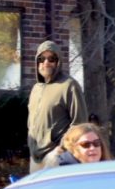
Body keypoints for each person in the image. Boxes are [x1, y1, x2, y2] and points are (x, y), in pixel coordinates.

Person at [27, 41, 87, 173]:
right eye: (42, 59)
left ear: (58, 62)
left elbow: (79, 123)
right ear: (37, 62)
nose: (46, 62)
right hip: (35, 157)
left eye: (51, 58)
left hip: (56, 156)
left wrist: (60, 149)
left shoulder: (69, 85)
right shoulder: (36, 89)